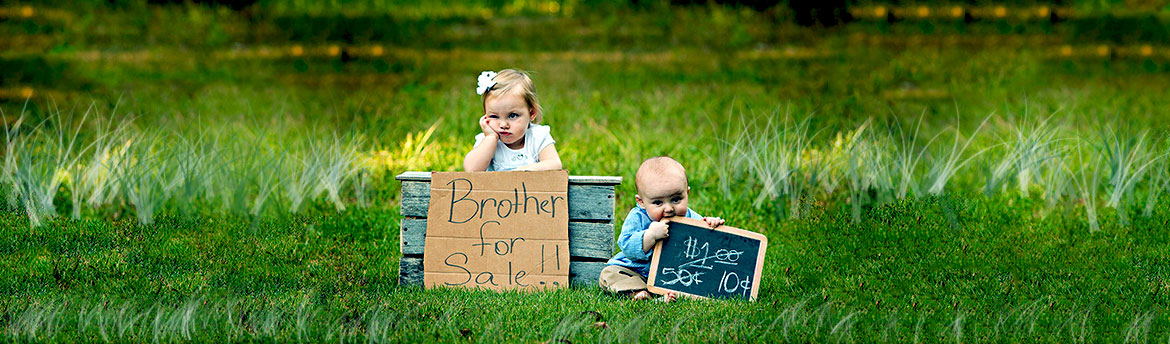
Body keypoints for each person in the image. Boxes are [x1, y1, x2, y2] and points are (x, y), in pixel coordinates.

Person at [600, 156, 724, 300]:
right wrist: (650, 236)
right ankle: (638, 292)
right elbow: (627, 246)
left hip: (674, 275)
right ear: (641, 202)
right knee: (608, 274)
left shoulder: (689, 216)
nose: (669, 208)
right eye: (658, 202)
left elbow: (704, 239)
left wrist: (710, 224)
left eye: (676, 199)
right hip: (638, 272)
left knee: (692, 279)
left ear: (687, 193)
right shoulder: (638, 217)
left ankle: (667, 293)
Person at [463, 69, 562, 172]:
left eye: (512, 115)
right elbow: (471, 170)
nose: (503, 124)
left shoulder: (537, 136)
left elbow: (554, 163)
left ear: (531, 113)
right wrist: (491, 138)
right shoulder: (486, 140)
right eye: (494, 116)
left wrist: (527, 170)